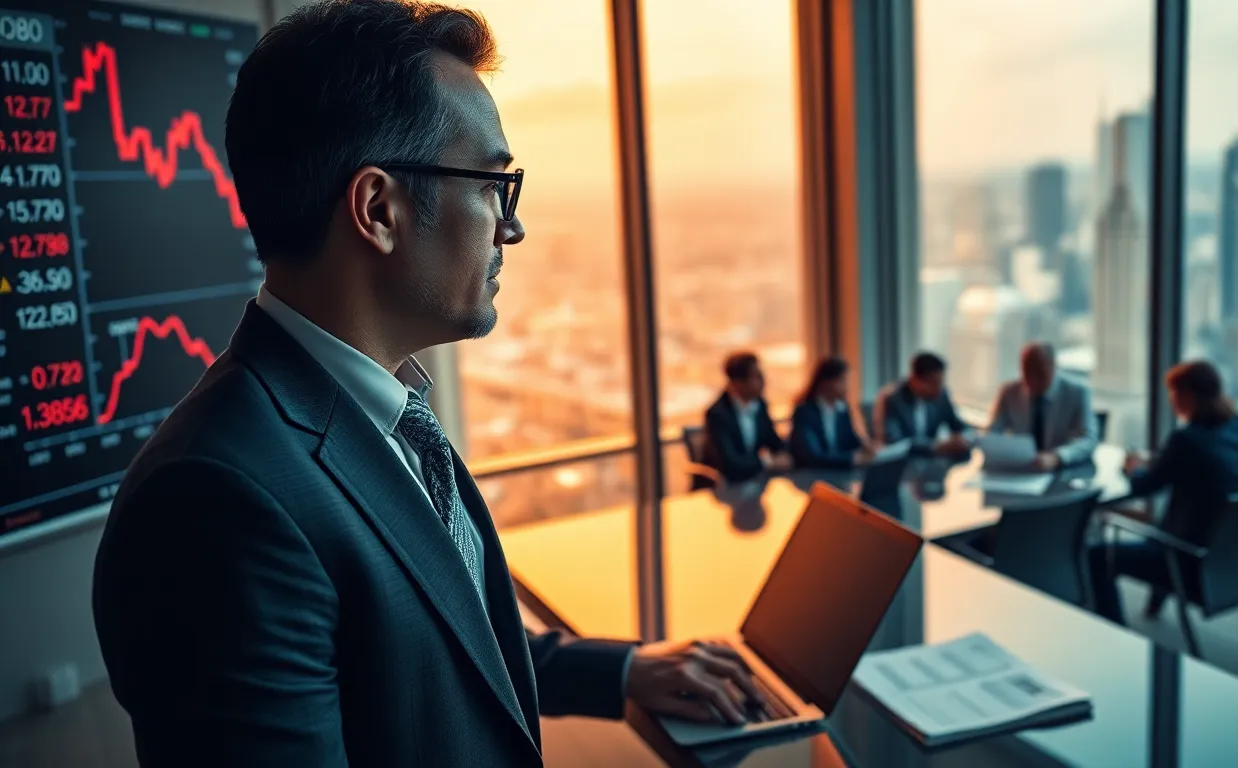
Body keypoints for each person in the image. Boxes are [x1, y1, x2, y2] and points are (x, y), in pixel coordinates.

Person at [91, 4, 757, 765]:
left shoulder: (383, 415)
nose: (512, 229)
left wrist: (628, 670)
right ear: (378, 209)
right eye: (491, 185)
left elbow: (435, 637)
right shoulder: (215, 502)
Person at [1088, 360, 1238, 624]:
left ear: (1188, 395)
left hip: (1189, 562)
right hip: (1236, 559)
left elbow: (1143, 487)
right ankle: (1154, 606)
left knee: (1096, 557)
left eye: (1173, 392)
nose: (1171, 400)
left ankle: (1117, 632)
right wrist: (1163, 460)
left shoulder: (1186, 439)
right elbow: (1201, 467)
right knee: (1171, 525)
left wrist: (1132, 469)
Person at [987, 342, 1098, 469]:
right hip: (1020, 468)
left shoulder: (1078, 393)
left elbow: (1088, 440)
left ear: (1054, 367)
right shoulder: (1008, 392)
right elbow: (992, 434)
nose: (1033, 380)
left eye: (1040, 373)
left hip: (1062, 472)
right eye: (1027, 372)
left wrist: (1057, 457)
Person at [702, 351, 792, 483]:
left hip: (754, 481)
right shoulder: (717, 414)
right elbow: (730, 463)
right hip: (724, 487)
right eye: (756, 376)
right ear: (738, 383)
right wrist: (767, 463)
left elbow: (774, 442)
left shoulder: (760, 405)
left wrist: (787, 455)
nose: (763, 381)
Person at [873, 351, 973, 457]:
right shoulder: (892, 399)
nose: (938, 389)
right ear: (914, 380)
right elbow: (895, 443)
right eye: (933, 383)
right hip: (902, 464)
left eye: (940, 382)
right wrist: (936, 446)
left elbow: (957, 425)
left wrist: (965, 438)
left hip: (931, 463)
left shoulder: (941, 395)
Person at [789, 356, 873, 469]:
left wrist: (867, 447)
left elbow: (850, 441)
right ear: (826, 383)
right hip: (811, 476)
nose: (847, 386)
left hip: (839, 474)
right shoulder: (805, 412)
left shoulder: (842, 410)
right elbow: (811, 456)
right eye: (842, 380)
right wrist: (851, 459)